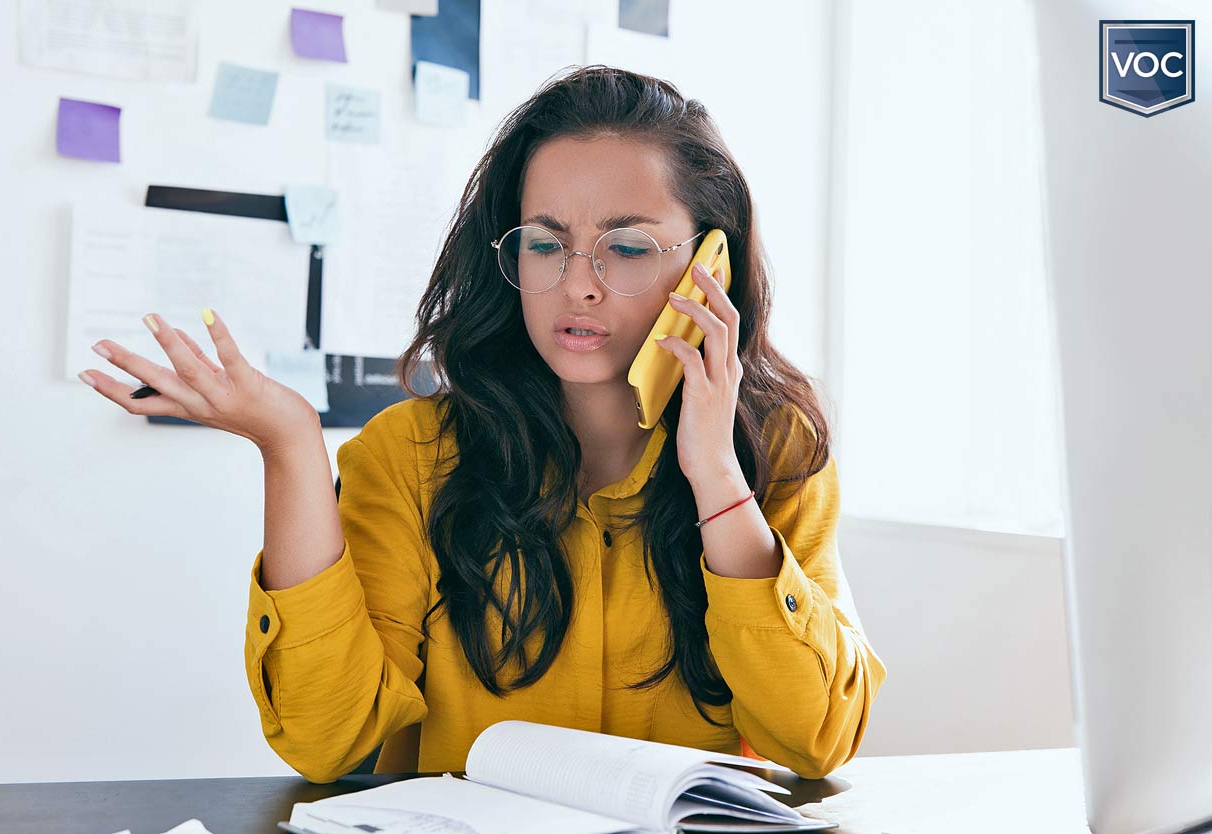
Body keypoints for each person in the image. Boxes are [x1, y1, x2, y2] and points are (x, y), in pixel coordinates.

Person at [77, 64, 886, 784]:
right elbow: (328, 741)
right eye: (546, 244)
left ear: (712, 263)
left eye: (627, 248)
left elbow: (817, 739)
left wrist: (716, 479)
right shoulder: (409, 457)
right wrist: (289, 446)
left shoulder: (775, 455)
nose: (579, 286)